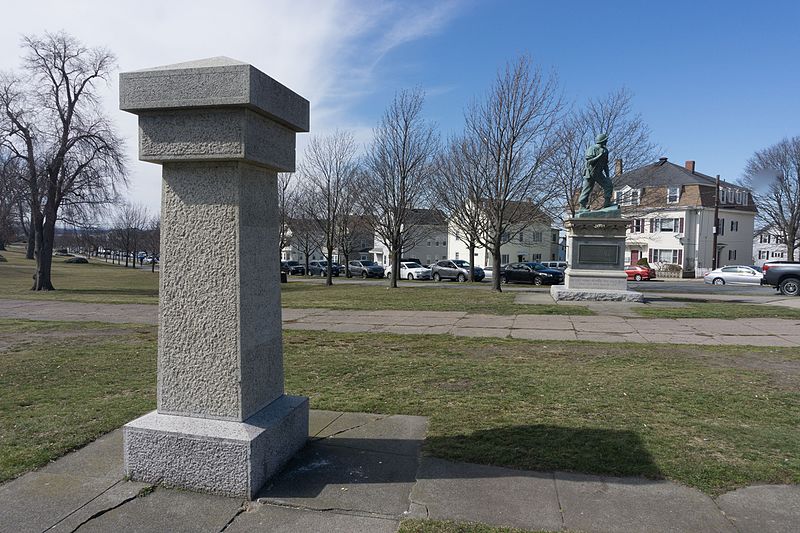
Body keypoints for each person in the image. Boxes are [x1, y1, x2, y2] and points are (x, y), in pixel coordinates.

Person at [578, 133, 613, 211]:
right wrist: (599, 155)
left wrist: (608, 176)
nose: (606, 141)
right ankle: (582, 206)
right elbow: (589, 162)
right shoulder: (592, 149)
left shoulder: (605, 150)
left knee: (608, 185)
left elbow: (605, 164)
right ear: (602, 141)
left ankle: (607, 203)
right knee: (587, 189)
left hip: (599, 173)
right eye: (605, 140)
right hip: (590, 172)